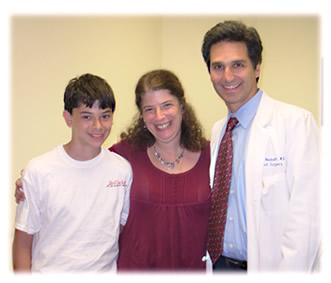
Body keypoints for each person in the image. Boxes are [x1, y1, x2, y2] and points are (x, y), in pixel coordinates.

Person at [14, 69, 211, 271]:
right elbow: (22, 243)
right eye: (149, 109)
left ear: (182, 106)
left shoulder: (210, 156)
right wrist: (27, 183)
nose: (159, 116)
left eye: (167, 105)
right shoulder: (125, 155)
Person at [201, 20, 321, 272]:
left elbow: (307, 220)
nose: (228, 76)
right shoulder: (218, 130)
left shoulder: (296, 124)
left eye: (238, 65)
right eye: (218, 67)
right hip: (220, 265)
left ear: (256, 68)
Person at [12, 74, 132, 273]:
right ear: (68, 118)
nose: (98, 126)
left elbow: (119, 229)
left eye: (105, 115)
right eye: (86, 116)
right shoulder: (39, 170)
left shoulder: (122, 170)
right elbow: (23, 244)